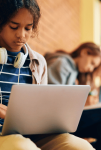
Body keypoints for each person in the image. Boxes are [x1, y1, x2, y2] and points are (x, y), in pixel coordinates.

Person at [0, 0, 95, 150]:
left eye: (28, 28)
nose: (21, 35)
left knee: (81, 146)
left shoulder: (38, 62)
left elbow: (41, 107)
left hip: (31, 134)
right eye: (14, 26)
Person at [45, 42, 101, 150]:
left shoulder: (74, 72)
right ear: (83, 52)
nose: (91, 69)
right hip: (57, 120)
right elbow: (52, 98)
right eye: (92, 63)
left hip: (68, 117)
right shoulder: (62, 64)